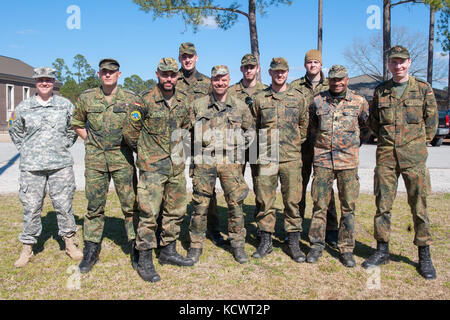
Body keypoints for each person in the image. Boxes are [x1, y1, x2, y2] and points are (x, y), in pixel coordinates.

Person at [362, 45, 438, 279]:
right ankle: (382, 250)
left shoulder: (423, 89)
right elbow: (374, 123)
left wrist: (417, 144)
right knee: (382, 205)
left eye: (402, 62)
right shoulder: (381, 91)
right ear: (388, 64)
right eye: (394, 62)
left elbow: (432, 123)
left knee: (419, 206)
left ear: (409, 62)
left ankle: (424, 255)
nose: (398, 66)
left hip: (414, 157)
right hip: (386, 157)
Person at [122, 58, 194, 283]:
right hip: (152, 168)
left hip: (175, 166)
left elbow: (187, 128)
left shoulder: (184, 100)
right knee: (149, 213)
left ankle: (168, 251)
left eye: (173, 75)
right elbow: (129, 132)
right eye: (165, 75)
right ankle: (144, 259)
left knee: (175, 210)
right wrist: (146, 153)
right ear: (157, 74)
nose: (169, 79)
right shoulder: (144, 100)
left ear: (177, 76)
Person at [9, 66, 82, 268]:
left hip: (60, 165)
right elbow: (15, 131)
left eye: (48, 80)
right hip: (32, 167)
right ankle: (27, 248)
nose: (44, 83)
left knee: (64, 205)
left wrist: (62, 146)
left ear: (53, 83)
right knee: (31, 207)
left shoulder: (65, 105)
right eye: (40, 79)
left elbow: (72, 129)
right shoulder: (24, 107)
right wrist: (28, 149)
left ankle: (69, 243)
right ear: (35, 82)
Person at [72, 59, 139, 273]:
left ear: (119, 74)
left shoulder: (130, 98)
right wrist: (90, 140)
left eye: (112, 72)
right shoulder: (87, 97)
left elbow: (138, 125)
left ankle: (135, 245)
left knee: (131, 205)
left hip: (122, 158)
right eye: (104, 72)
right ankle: (91, 248)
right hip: (96, 160)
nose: (107, 75)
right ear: (99, 74)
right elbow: (77, 122)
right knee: (94, 206)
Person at [187, 65, 255, 264]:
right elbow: (188, 132)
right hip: (204, 161)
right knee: (200, 205)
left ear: (228, 80)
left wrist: (238, 145)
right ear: (211, 80)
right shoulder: (198, 105)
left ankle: (238, 245)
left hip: (230, 162)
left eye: (224, 79)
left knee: (235, 204)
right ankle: (195, 245)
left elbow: (250, 131)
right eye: (216, 79)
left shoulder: (240, 106)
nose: (220, 82)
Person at [306, 65, 369, 267]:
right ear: (329, 80)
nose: (337, 82)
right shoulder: (317, 101)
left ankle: (346, 248)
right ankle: (316, 245)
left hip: (348, 161)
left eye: (340, 79)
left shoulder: (359, 102)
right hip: (323, 160)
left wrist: (352, 145)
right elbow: (312, 128)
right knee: (319, 205)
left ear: (347, 79)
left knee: (348, 206)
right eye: (333, 79)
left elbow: (367, 128)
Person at [252, 58, 309, 263]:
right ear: (269, 72)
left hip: (291, 158)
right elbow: (254, 126)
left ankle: (292, 242)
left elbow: (304, 127)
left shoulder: (298, 98)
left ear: (287, 72)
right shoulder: (260, 99)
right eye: (276, 71)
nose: (279, 74)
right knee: (265, 200)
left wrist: (291, 144)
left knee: (292, 201)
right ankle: (265, 241)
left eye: (283, 71)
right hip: (267, 158)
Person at [177, 42, 226, 246]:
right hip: (178, 140)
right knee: (173, 184)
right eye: (184, 56)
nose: (187, 59)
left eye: (191, 56)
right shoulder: (172, 79)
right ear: (180, 58)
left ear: (196, 57)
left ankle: (212, 228)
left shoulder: (207, 82)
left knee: (207, 187)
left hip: (200, 143)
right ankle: (170, 225)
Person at [290, 49, 339, 248]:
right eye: (309, 62)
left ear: (321, 65)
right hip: (301, 145)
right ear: (305, 65)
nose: (312, 65)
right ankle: (296, 227)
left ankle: (331, 230)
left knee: (324, 188)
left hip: (323, 145)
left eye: (316, 62)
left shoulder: (332, 85)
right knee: (298, 187)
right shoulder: (294, 86)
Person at [228, 53, 268, 217]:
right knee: (235, 185)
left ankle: (261, 224)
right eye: (246, 67)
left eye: (252, 67)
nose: (249, 70)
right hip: (236, 145)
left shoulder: (265, 91)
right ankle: (236, 222)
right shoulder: (231, 92)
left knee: (261, 185)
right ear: (241, 69)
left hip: (258, 145)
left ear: (257, 69)